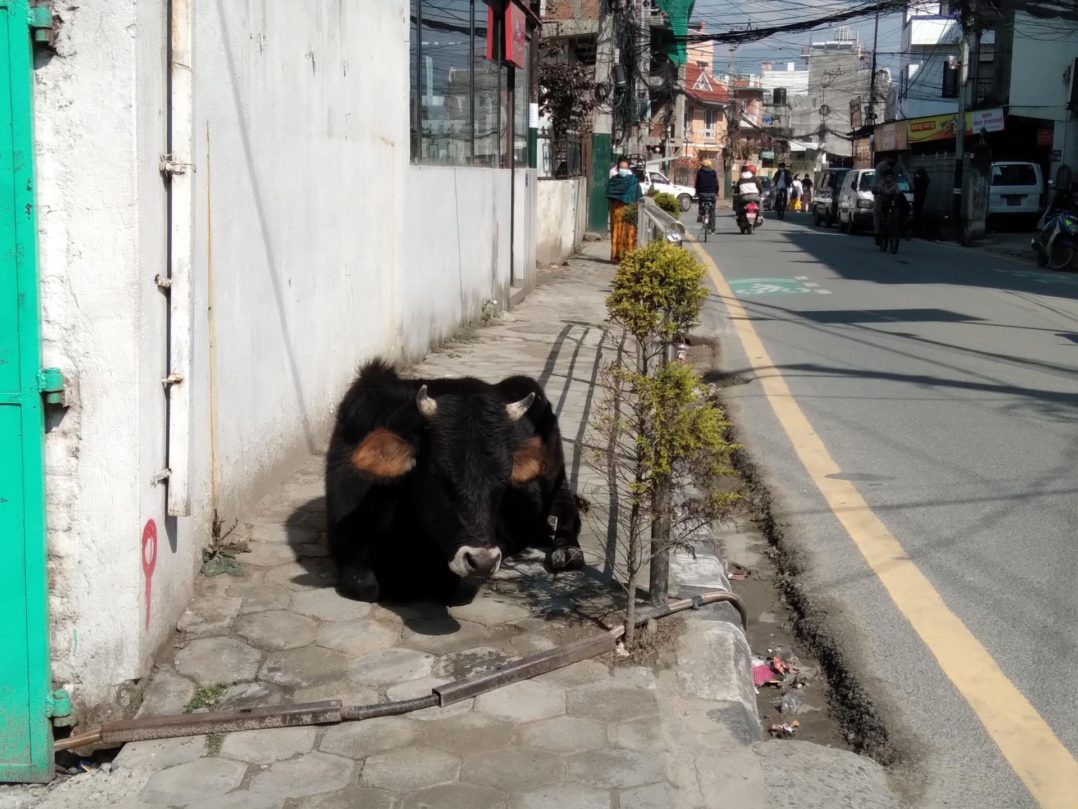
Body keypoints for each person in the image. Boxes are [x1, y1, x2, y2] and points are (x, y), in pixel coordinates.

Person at [607, 157, 643, 262]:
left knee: (630, 234)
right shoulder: (613, 181)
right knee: (616, 234)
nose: (623, 169)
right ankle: (615, 256)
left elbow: (637, 196)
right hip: (616, 212)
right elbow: (610, 194)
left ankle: (630, 257)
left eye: (625, 168)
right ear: (618, 168)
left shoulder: (633, 182)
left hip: (629, 213)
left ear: (628, 169)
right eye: (621, 167)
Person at [694, 158, 719, 225]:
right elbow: (717, 184)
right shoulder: (713, 172)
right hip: (712, 194)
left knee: (700, 205)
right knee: (712, 211)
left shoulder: (699, 172)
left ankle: (700, 214)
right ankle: (712, 229)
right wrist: (716, 192)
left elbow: (697, 183)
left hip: (702, 194)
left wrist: (696, 192)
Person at [912, 167, 930, 236]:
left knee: (917, 212)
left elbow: (922, 188)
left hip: (920, 196)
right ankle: (916, 229)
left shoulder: (925, 179)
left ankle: (916, 230)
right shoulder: (919, 177)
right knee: (916, 212)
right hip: (917, 196)